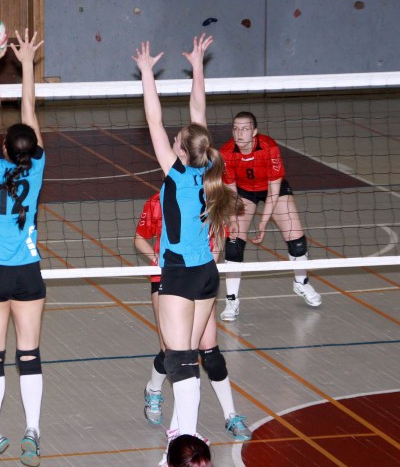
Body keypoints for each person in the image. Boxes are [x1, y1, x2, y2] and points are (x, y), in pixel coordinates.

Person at [132, 35, 240, 467]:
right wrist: (197, 66)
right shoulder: (211, 166)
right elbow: (198, 113)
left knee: (181, 365)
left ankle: (183, 452)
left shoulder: (175, 176)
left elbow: (153, 119)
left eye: (175, 141)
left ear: (179, 150)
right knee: (186, 360)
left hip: (177, 275)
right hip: (207, 274)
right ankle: (179, 442)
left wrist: (146, 73)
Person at [0, 29, 45, 467]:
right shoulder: (37, 166)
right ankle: (32, 432)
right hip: (28, 274)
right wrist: (27, 63)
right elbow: (28, 108)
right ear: (33, 150)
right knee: (30, 355)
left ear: (2, 148)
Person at [135, 193, 252, 443]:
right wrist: (157, 260)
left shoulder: (206, 199)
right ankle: (153, 390)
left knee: (210, 351)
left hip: (199, 277)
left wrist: (207, 266)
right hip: (167, 278)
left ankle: (231, 415)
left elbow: (217, 239)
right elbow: (139, 239)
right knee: (171, 351)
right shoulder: (158, 202)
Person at [219, 111, 322, 322]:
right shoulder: (226, 153)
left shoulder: (268, 147)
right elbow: (230, 191)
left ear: (254, 132)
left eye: (245, 129)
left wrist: (263, 222)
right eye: (236, 129)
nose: (239, 133)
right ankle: (231, 299)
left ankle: (301, 283)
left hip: (271, 188)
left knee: (296, 237)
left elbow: (274, 191)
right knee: (234, 241)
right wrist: (233, 220)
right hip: (242, 192)